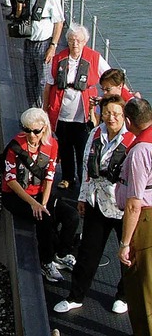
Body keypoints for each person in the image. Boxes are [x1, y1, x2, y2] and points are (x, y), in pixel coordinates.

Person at [54, 95, 134, 315]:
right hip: (97, 203)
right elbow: (86, 169)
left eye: (116, 113)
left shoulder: (132, 140)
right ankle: (75, 296)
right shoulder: (95, 133)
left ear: (124, 115)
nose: (111, 118)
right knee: (88, 253)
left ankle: (123, 295)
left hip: (122, 207)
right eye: (107, 112)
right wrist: (82, 197)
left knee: (127, 254)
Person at [2, 107, 79, 282]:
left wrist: (43, 203)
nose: (31, 135)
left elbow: (50, 176)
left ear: (43, 129)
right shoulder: (15, 147)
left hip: (40, 193)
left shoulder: (51, 145)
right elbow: (11, 181)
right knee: (44, 219)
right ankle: (46, 261)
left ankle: (62, 253)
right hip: (16, 196)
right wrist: (34, 204)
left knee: (71, 216)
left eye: (36, 131)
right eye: (27, 130)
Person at [43, 23, 110, 190]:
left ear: (85, 42)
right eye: (72, 40)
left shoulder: (94, 58)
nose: (75, 44)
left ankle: (84, 180)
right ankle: (67, 178)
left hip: (84, 114)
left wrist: (107, 97)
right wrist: (44, 109)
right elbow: (48, 85)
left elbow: (109, 77)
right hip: (62, 110)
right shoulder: (59, 58)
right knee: (64, 146)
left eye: (78, 41)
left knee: (83, 149)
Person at [116, 98, 152, 336]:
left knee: (142, 288)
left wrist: (125, 243)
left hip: (145, 221)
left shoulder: (140, 150)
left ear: (128, 121)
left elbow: (133, 203)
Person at [21, 0, 64, 108]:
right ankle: (32, 111)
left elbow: (59, 22)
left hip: (44, 43)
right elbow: (18, 16)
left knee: (44, 81)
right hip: (28, 42)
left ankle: (44, 112)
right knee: (29, 79)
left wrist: (53, 46)